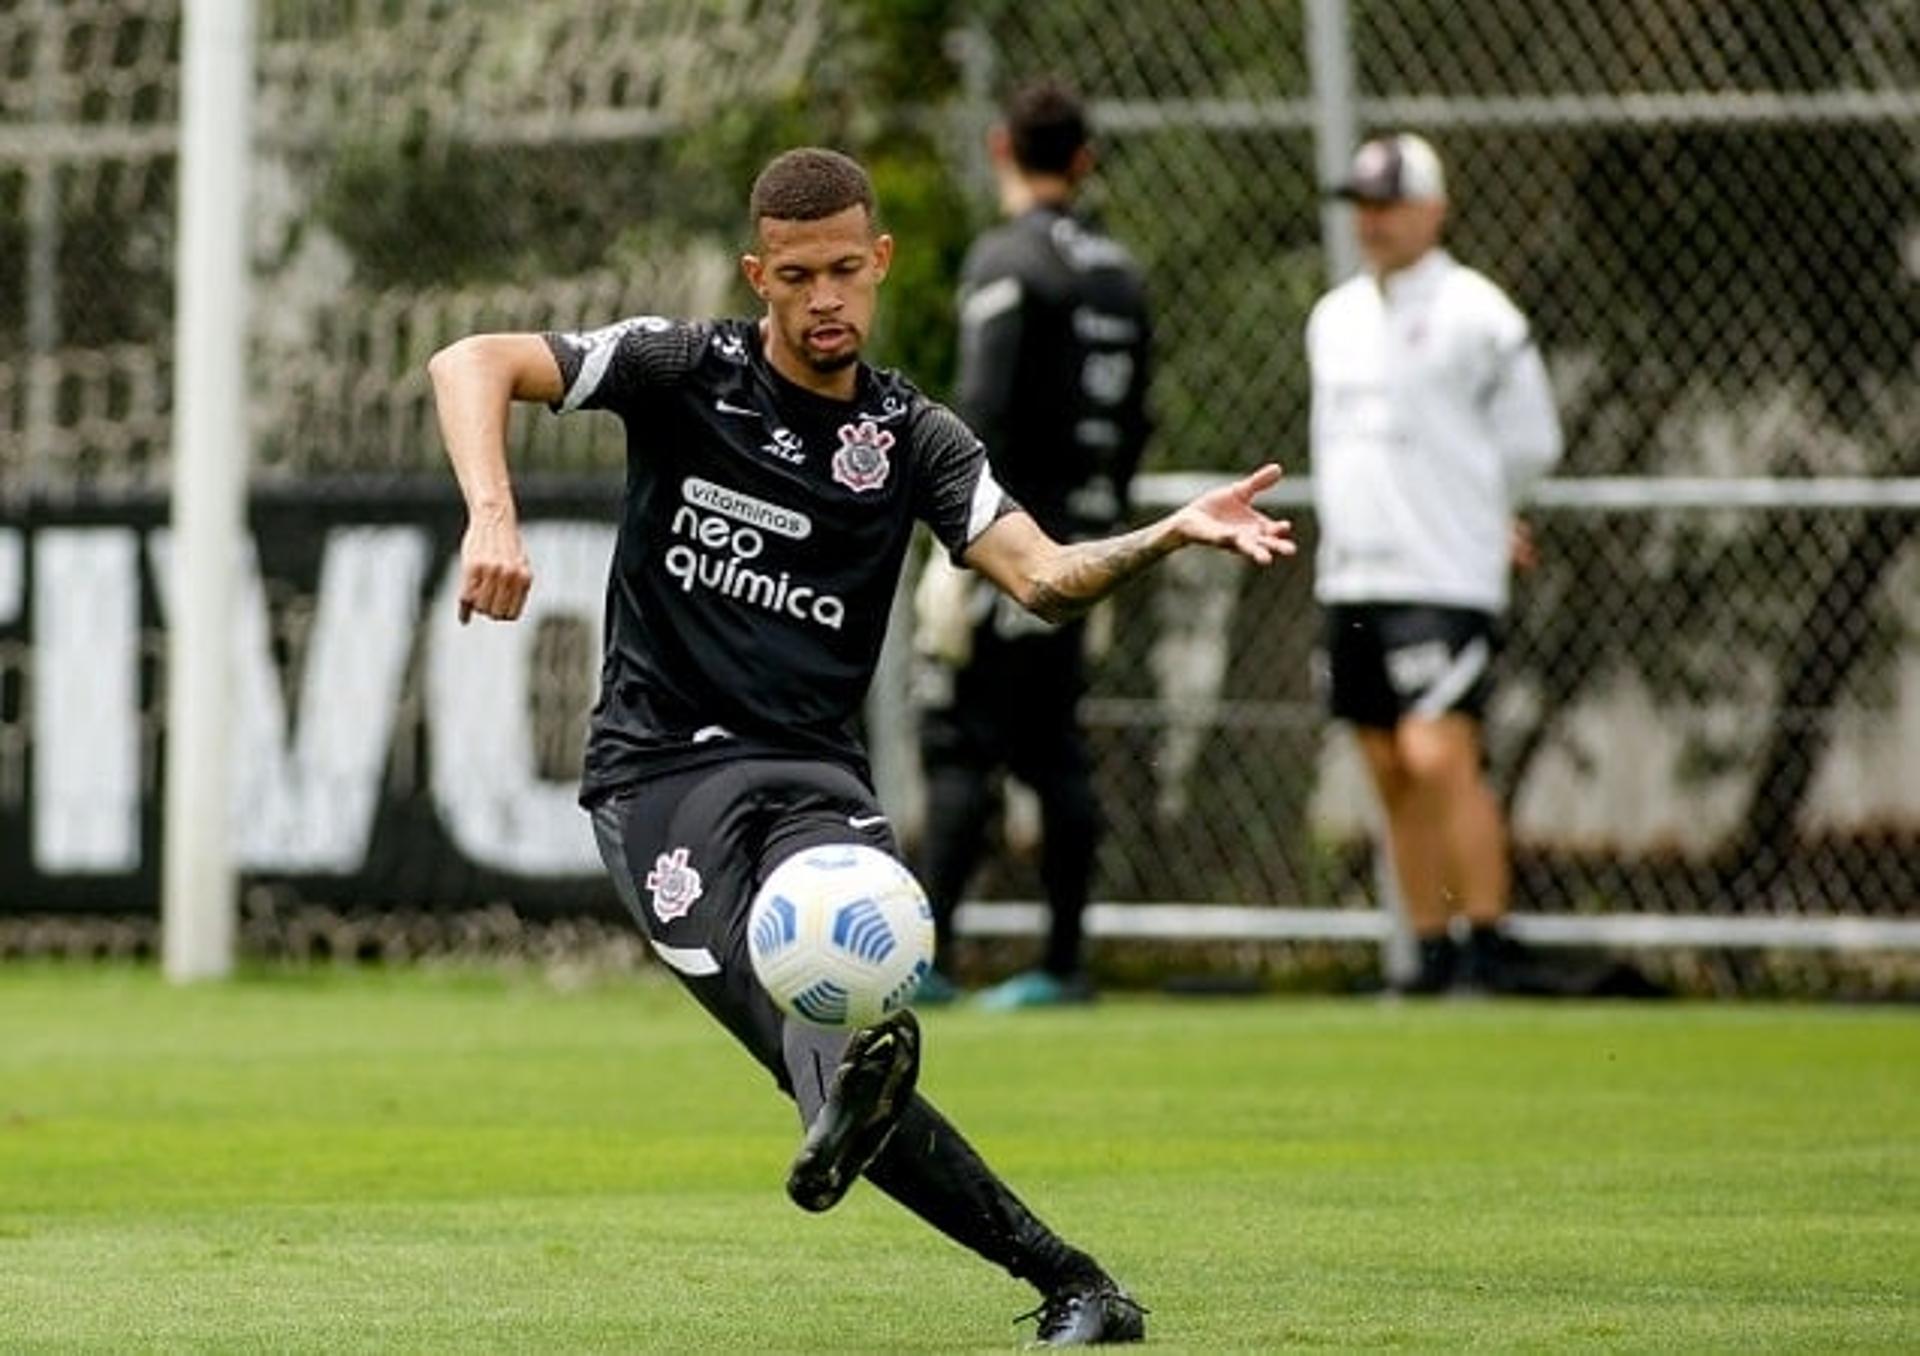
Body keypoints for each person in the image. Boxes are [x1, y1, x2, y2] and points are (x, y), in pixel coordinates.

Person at [429, 146, 1294, 1346]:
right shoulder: (687, 369)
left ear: (879, 264)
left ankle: (1056, 1269)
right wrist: (493, 514)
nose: (825, 297)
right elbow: (470, 359)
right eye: (797, 276)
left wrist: (1166, 534)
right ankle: (1048, 1258)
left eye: (846, 270)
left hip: (812, 779)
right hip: (660, 778)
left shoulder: (914, 439)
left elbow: (1041, 576)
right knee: (807, 1049)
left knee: (828, 1036)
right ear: (759, 276)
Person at [913, 79, 1152, 1011]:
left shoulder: (1006, 259)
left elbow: (983, 409)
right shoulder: (1121, 275)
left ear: (998, 147)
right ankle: (1064, 962)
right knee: (1055, 749)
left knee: (963, 744)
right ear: (1085, 161)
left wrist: (956, 541)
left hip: (1008, 542)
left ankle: (927, 959)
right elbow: (1135, 421)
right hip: (1090, 542)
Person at [1307, 133, 1563, 995]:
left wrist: (1490, 512)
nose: (1373, 223)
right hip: (1352, 576)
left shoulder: (1478, 313)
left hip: (1442, 575)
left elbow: (1532, 439)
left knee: (1437, 755)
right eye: (1362, 207)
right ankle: (1429, 951)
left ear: (1433, 208)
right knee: (1384, 764)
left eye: (1389, 204)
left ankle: (1486, 941)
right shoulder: (1334, 317)